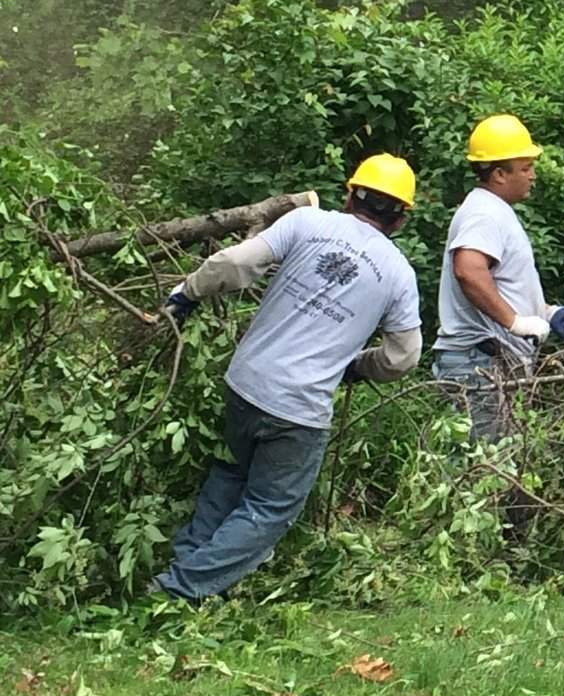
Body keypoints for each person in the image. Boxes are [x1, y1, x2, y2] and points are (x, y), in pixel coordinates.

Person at [151, 154, 423, 603]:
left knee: (233, 473)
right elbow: (404, 357)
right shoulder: (398, 274)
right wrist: (357, 366)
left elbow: (233, 264)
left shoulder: (306, 222)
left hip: (245, 383)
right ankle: (180, 589)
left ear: (350, 193)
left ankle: (187, 562)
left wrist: (187, 293)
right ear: (400, 220)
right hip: (299, 410)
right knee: (271, 506)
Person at [432, 114, 564, 441]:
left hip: (487, 362)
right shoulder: (484, 214)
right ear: (499, 174)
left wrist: (546, 312)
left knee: (494, 470)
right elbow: (469, 270)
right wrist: (515, 323)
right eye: (525, 168)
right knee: (478, 473)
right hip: (479, 363)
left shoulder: (492, 210)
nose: (533, 175)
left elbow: (501, 281)